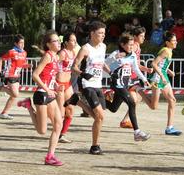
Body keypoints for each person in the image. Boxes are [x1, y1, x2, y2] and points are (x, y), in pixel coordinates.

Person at [17, 31, 64, 165]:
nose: (58, 43)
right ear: (48, 44)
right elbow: (35, 75)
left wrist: (56, 85)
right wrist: (48, 89)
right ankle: (28, 106)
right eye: (55, 41)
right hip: (42, 95)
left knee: (58, 124)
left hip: (49, 94)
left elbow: (49, 76)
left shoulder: (55, 57)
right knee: (41, 130)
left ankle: (50, 156)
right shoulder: (47, 56)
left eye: (58, 40)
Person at [70, 21, 110, 155]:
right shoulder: (85, 48)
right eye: (100, 33)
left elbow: (102, 62)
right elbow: (74, 66)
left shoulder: (103, 46)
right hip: (87, 84)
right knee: (99, 116)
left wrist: (111, 73)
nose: (103, 36)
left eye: (104, 33)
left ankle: (77, 101)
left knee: (100, 116)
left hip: (98, 84)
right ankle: (95, 146)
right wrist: (83, 73)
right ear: (92, 33)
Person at [105, 33, 151, 141]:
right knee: (132, 102)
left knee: (113, 108)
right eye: (129, 45)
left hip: (125, 84)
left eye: (132, 45)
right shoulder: (116, 53)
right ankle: (137, 132)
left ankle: (100, 98)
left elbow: (136, 69)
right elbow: (104, 64)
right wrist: (112, 67)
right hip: (117, 83)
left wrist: (144, 79)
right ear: (122, 44)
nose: (131, 47)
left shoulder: (133, 55)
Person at [118, 27, 153, 129]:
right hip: (128, 77)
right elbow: (127, 60)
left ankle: (125, 120)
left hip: (133, 77)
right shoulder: (134, 47)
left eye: (144, 36)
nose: (143, 38)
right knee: (134, 99)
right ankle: (125, 120)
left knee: (138, 98)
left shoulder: (138, 47)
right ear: (135, 37)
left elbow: (136, 64)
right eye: (141, 36)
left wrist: (146, 69)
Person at [148, 32, 182, 136]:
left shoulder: (169, 51)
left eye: (176, 40)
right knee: (154, 106)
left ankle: (169, 128)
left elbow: (162, 65)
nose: (175, 42)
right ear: (167, 42)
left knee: (172, 100)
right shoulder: (165, 51)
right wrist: (162, 75)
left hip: (163, 77)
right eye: (173, 41)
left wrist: (168, 71)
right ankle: (139, 91)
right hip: (158, 78)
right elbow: (154, 63)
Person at [0, 34, 30, 120]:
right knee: (15, 94)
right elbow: (1, 59)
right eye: (20, 43)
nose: (22, 45)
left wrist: (28, 66)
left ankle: (4, 113)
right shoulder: (11, 52)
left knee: (13, 96)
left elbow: (22, 64)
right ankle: (1, 88)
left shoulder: (24, 53)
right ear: (16, 43)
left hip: (17, 75)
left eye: (23, 43)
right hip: (9, 75)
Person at [55, 32, 77, 143]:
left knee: (71, 110)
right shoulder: (63, 53)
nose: (75, 42)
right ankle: (57, 133)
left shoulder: (72, 52)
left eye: (75, 40)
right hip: (59, 84)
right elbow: (53, 65)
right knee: (61, 111)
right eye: (72, 40)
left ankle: (62, 134)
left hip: (68, 84)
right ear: (66, 42)